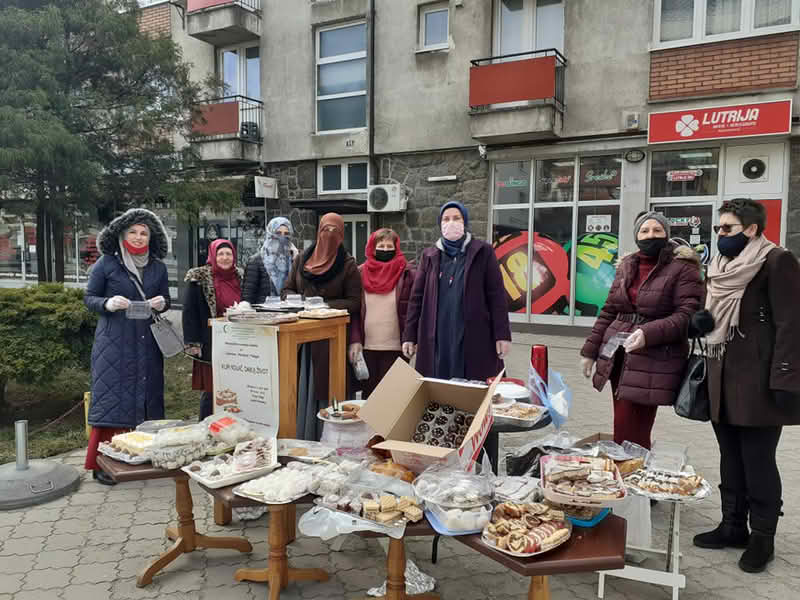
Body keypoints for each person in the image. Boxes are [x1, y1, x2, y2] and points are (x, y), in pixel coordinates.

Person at [692, 199, 800, 573]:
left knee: (758, 460)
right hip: (721, 374)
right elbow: (715, 309)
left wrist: (785, 377)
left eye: (727, 228)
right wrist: (701, 321)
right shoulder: (720, 265)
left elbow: (792, 323)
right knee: (730, 455)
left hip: (759, 381)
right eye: (718, 228)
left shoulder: (777, 261)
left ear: (751, 229)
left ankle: (762, 538)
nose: (720, 234)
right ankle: (732, 526)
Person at [579, 211, 703, 449]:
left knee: (631, 430)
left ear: (667, 234)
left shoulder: (683, 268)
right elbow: (609, 310)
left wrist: (648, 333)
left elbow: (687, 314)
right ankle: (629, 468)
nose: (650, 235)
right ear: (636, 235)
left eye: (657, 230)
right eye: (644, 231)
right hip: (618, 357)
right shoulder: (627, 265)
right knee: (624, 428)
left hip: (653, 358)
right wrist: (590, 351)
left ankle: (630, 468)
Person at [83, 208, 171, 485]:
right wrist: (107, 303)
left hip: (147, 343)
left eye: (144, 232)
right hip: (115, 343)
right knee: (113, 400)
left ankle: (142, 457)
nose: (138, 236)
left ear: (151, 237)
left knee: (146, 398)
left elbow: (167, 299)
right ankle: (102, 463)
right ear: (122, 234)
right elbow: (90, 297)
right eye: (133, 231)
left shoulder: (158, 267)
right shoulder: (107, 263)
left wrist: (162, 303)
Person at [402, 201, 511, 381]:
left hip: (474, 335)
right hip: (438, 337)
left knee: (473, 387)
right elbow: (416, 299)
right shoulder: (429, 255)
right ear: (440, 224)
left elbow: (497, 296)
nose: (451, 223)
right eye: (446, 219)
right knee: (438, 386)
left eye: (456, 218)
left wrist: (502, 335)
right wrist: (410, 335)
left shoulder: (483, 252)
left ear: (464, 222)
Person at [283, 213, 362, 438]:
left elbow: (355, 301)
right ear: (318, 232)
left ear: (342, 235)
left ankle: (329, 436)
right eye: (326, 230)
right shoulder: (302, 260)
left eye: (335, 231)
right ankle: (304, 434)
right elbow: (286, 289)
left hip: (331, 341)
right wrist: (300, 303)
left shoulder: (347, 265)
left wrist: (323, 305)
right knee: (302, 386)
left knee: (328, 387)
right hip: (301, 338)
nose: (329, 235)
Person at [348, 228, 416, 397]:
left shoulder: (407, 273)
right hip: (368, 347)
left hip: (397, 347)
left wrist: (413, 338)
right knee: (370, 396)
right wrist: (355, 339)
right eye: (381, 246)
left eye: (389, 246)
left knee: (394, 397)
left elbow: (414, 308)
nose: (385, 250)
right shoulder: (360, 273)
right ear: (372, 247)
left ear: (396, 248)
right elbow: (355, 310)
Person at [182, 239, 243, 420]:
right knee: (212, 390)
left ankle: (232, 425)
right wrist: (193, 343)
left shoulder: (240, 277)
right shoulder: (199, 279)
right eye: (220, 254)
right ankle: (205, 426)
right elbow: (189, 312)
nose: (225, 258)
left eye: (228, 254)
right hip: (211, 343)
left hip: (238, 342)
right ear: (213, 256)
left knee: (236, 388)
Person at [241, 217, 298, 305]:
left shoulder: (295, 260)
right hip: (263, 312)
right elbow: (247, 298)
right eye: (278, 233)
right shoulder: (256, 261)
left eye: (286, 234)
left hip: (290, 311)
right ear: (270, 234)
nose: (282, 237)